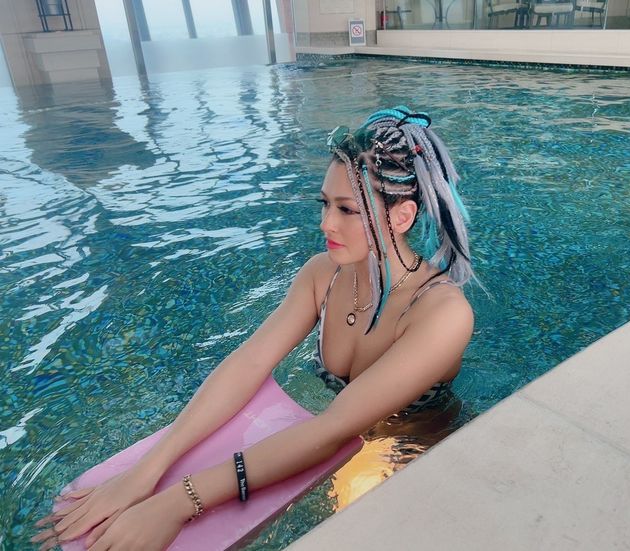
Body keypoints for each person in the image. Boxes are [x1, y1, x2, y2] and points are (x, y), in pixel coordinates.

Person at [32, 106, 475, 551]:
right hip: (324, 431)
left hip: (408, 447)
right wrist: (146, 472)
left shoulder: (441, 314)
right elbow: (250, 360)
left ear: (401, 217)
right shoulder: (324, 274)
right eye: (324, 204)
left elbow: (332, 428)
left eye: (347, 209)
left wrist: (177, 502)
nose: (325, 224)